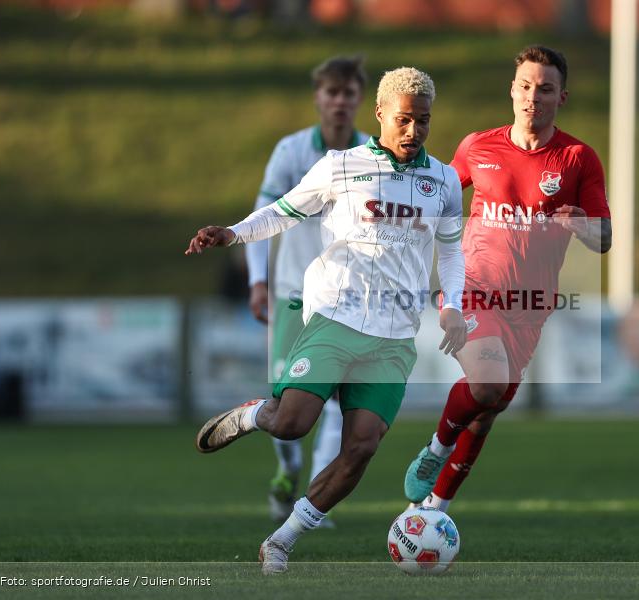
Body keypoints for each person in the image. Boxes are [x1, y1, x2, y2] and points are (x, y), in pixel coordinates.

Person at [185, 67, 467, 574]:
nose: (414, 131)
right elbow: (282, 212)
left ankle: (282, 540)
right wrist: (231, 234)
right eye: (404, 120)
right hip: (336, 315)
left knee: (360, 447)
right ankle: (255, 414)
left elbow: (451, 253)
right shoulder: (340, 165)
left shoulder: (443, 180)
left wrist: (453, 307)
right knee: (291, 425)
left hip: (395, 336)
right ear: (380, 114)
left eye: (423, 121)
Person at [403, 45, 612, 512]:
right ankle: (435, 450)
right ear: (511, 91)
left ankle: (434, 511)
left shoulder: (579, 159)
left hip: (530, 308)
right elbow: (434, 196)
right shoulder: (478, 147)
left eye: (545, 89)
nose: (532, 97)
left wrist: (583, 225)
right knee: (490, 382)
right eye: (524, 86)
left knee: (487, 411)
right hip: (473, 289)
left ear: (562, 97)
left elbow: (604, 238)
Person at [245, 55, 369, 525]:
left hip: (350, 298)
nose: (340, 102)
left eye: (349, 94)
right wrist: (258, 281)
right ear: (318, 98)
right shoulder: (292, 151)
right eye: (332, 93)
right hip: (293, 292)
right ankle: (288, 467)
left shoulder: (372, 156)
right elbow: (263, 218)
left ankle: (313, 502)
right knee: (284, 401)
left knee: (339, 397)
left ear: (361, 101)